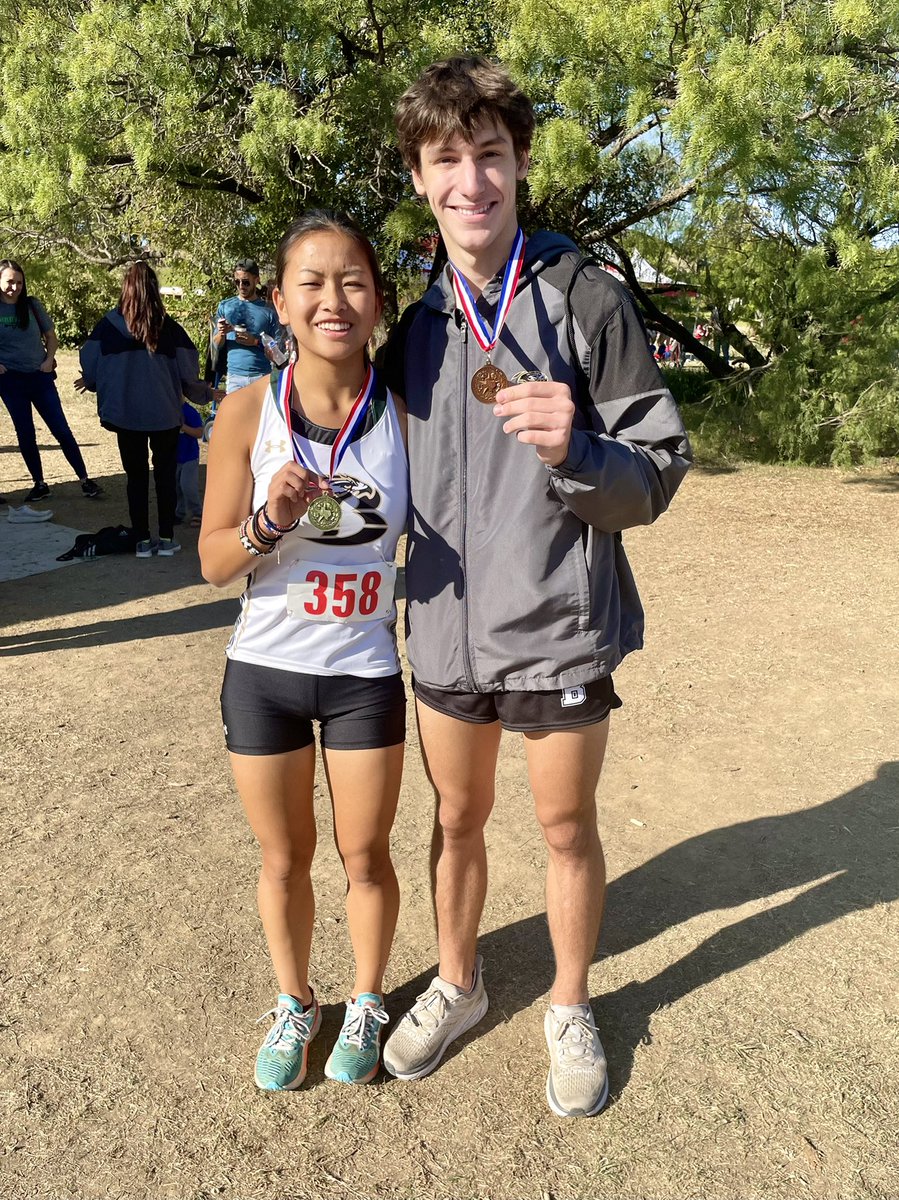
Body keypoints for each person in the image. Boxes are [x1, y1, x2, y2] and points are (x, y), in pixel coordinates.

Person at [378, 56, 692, 1117]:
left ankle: (568, 1003)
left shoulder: (584, 297)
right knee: (454, 820)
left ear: (519, 164)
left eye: (489, 154)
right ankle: (457, 983)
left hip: (556, 626)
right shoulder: (413, 327)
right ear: (420, 178)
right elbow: (381, 477)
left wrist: (579, 450)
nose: (470, 180)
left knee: (564, 828)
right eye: (446, 158)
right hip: (444, 630)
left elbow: (658, 467)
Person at [198, 211, 408, 1090]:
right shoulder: (247, 412)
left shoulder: (407, 413)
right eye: (311, 283)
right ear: (278, 303)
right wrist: (267, 520)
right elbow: (214, 561)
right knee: (284, 860)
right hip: (266, 676)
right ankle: (296, 1002)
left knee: (366, 856)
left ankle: (365, 997)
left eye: (353, 282)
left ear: (377, 302)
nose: (334, 300)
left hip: (364, 674)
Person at [77, 262, 215, 557]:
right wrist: (205, 393)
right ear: (154, 289)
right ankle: (166, 538)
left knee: (136, 476)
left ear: (125, 289)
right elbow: (188, 373)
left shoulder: (107, 327)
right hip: (164, 414)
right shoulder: (169, 328)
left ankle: (141, 539)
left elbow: (90, 362)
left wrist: (91, 381)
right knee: (165, 475)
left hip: (125, 414)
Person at [0, 259, 101, 503]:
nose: (15, 287)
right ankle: (39, 484)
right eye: (10, 282)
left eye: (19, 283)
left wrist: (49, 359)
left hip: (40, 377)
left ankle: (85, 480)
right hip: (10, 381)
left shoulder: (32, 305)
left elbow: (51, 337)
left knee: (61, 429)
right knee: (25, 432)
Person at [211, 259, 283, 393]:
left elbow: (278, 349)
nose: (241, 286)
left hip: (261, 375)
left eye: (245, 282)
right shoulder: (225, 306)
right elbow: (215, 345)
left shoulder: (269, 311)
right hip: (234, 377)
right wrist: (222, 333)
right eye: (237, 282)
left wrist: (255, 342)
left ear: (257, 280)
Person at [175, 401, 204, 526]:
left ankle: (197, 513)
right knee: (176, 487)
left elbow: (200, 433)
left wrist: (183, 427)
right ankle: (179, 513)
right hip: (174, 457)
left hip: (189, 456)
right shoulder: (166, 409)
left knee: (188, 486)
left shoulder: (189, 411)